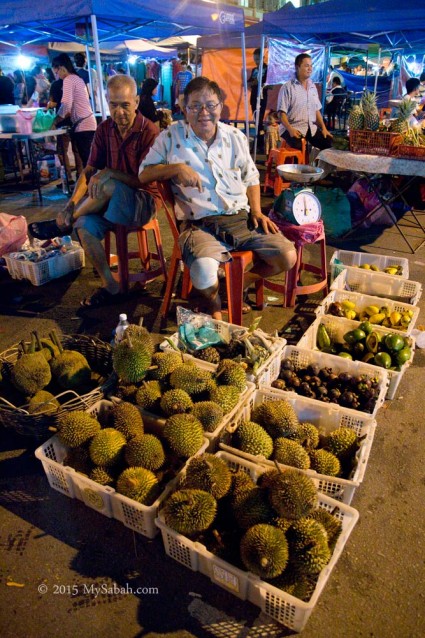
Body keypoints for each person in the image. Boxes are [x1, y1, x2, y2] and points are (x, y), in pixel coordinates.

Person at [139, 76, 297, 321]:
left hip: (240, 217)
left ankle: (233, 287)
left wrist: (256, 210)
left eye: (211, 105)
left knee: (287, 256)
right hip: (200, 224)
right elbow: (144, 173)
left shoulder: (235, 137)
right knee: (202, 270)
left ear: (221, 107)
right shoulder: (170, 138)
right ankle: (215, 307)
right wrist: (176, 168)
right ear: (184, 109)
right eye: (195, 106)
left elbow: (251, 177)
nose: (204, 113)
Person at [29, 74, 159, 309]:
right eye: (113, 105)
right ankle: (111, 286)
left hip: (142, 203)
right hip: (107, 202)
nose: (119, 111)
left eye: (125, 105)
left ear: (137, 102)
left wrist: (111, 173)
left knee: (107, 182)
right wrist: (70, 205)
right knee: (84, 226)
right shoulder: (104, 129)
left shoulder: (149, 131)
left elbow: (144, 180)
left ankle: (61, 226)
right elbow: (89, 171)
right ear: (106, 102)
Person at [50, 53, 97, 171]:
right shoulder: (77, 78)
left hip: (83, 126)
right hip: (88, 123)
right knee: (88, 161)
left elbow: (66, 104)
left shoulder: (69, 80)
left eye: (56, 72)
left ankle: (91, 188)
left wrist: (55, 121)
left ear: (61, 68)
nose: (57, 76)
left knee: (88, 163)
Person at [277, 53, 332, 152]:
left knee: (329, 143)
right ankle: (300, 167)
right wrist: (290, 129)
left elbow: (316, 110)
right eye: (306, 66)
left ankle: (318, 167)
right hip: (292, 127)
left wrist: (324, 128)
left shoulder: (312, 86)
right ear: (297, 67)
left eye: (311, 66)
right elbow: (281, 114)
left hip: (310, 128)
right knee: (302, 147)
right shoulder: (288, 87)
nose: (310, 68)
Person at [247, 48, 269, 152]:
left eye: (258, 59)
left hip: (262, 97)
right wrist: (253, 83)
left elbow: (269, 84)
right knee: (256, 121)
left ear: (263, 58)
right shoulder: (254, 70)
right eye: (255, 59)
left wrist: (260, 83)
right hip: (254, 97)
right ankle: (258, 144)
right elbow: (249, 82)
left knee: (259, 121)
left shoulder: (267, 69)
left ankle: (260, 144)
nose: (256, 62)